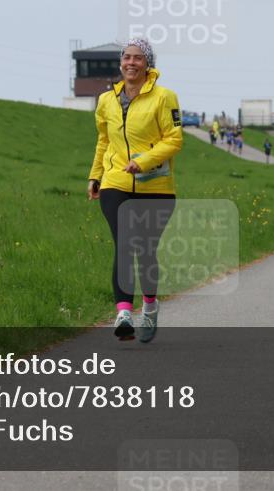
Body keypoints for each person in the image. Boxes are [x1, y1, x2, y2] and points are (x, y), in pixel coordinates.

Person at [87, 37, 182, 343]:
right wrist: (96, 176)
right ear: (120, 63)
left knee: (145, 249)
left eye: (138, 58)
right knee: (125, 244)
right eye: (126, 57)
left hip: (156, 186)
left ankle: (150, 306)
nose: (131, 62)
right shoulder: (107, 100)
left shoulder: (164, 97)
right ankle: (124, 313)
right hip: (115, 182)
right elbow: (104, 141)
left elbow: (174, 140)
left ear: (147, 64)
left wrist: (143, 162)